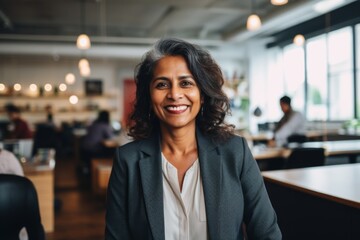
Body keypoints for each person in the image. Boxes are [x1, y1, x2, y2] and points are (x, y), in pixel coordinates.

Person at [105, 38, 281, 240]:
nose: (174, 94)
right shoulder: (127, 161)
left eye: (186, 83)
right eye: (162, 84)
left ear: (202, 94)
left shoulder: (235, 152)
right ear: (149, 94)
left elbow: (267, 233)